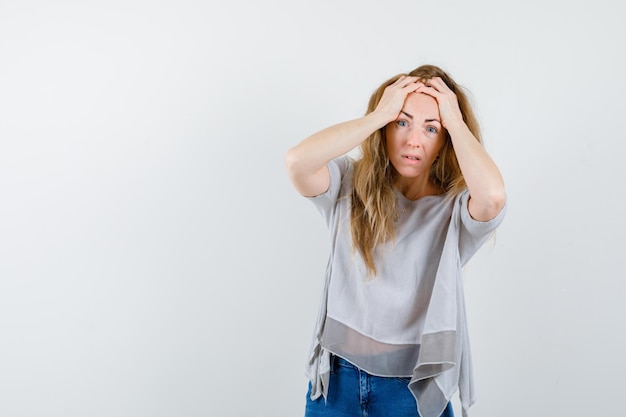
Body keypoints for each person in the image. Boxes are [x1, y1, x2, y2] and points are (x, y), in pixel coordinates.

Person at [284, 64, 507, 417]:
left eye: (432, 128)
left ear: (446, 138)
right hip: (336, 384)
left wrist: (456, 118)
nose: (413, 140)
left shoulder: (455, 211)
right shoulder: (348, 183)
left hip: (411, 391)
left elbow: (493, 197)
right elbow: (297, 162)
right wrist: (380, 114)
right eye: (402, 122)